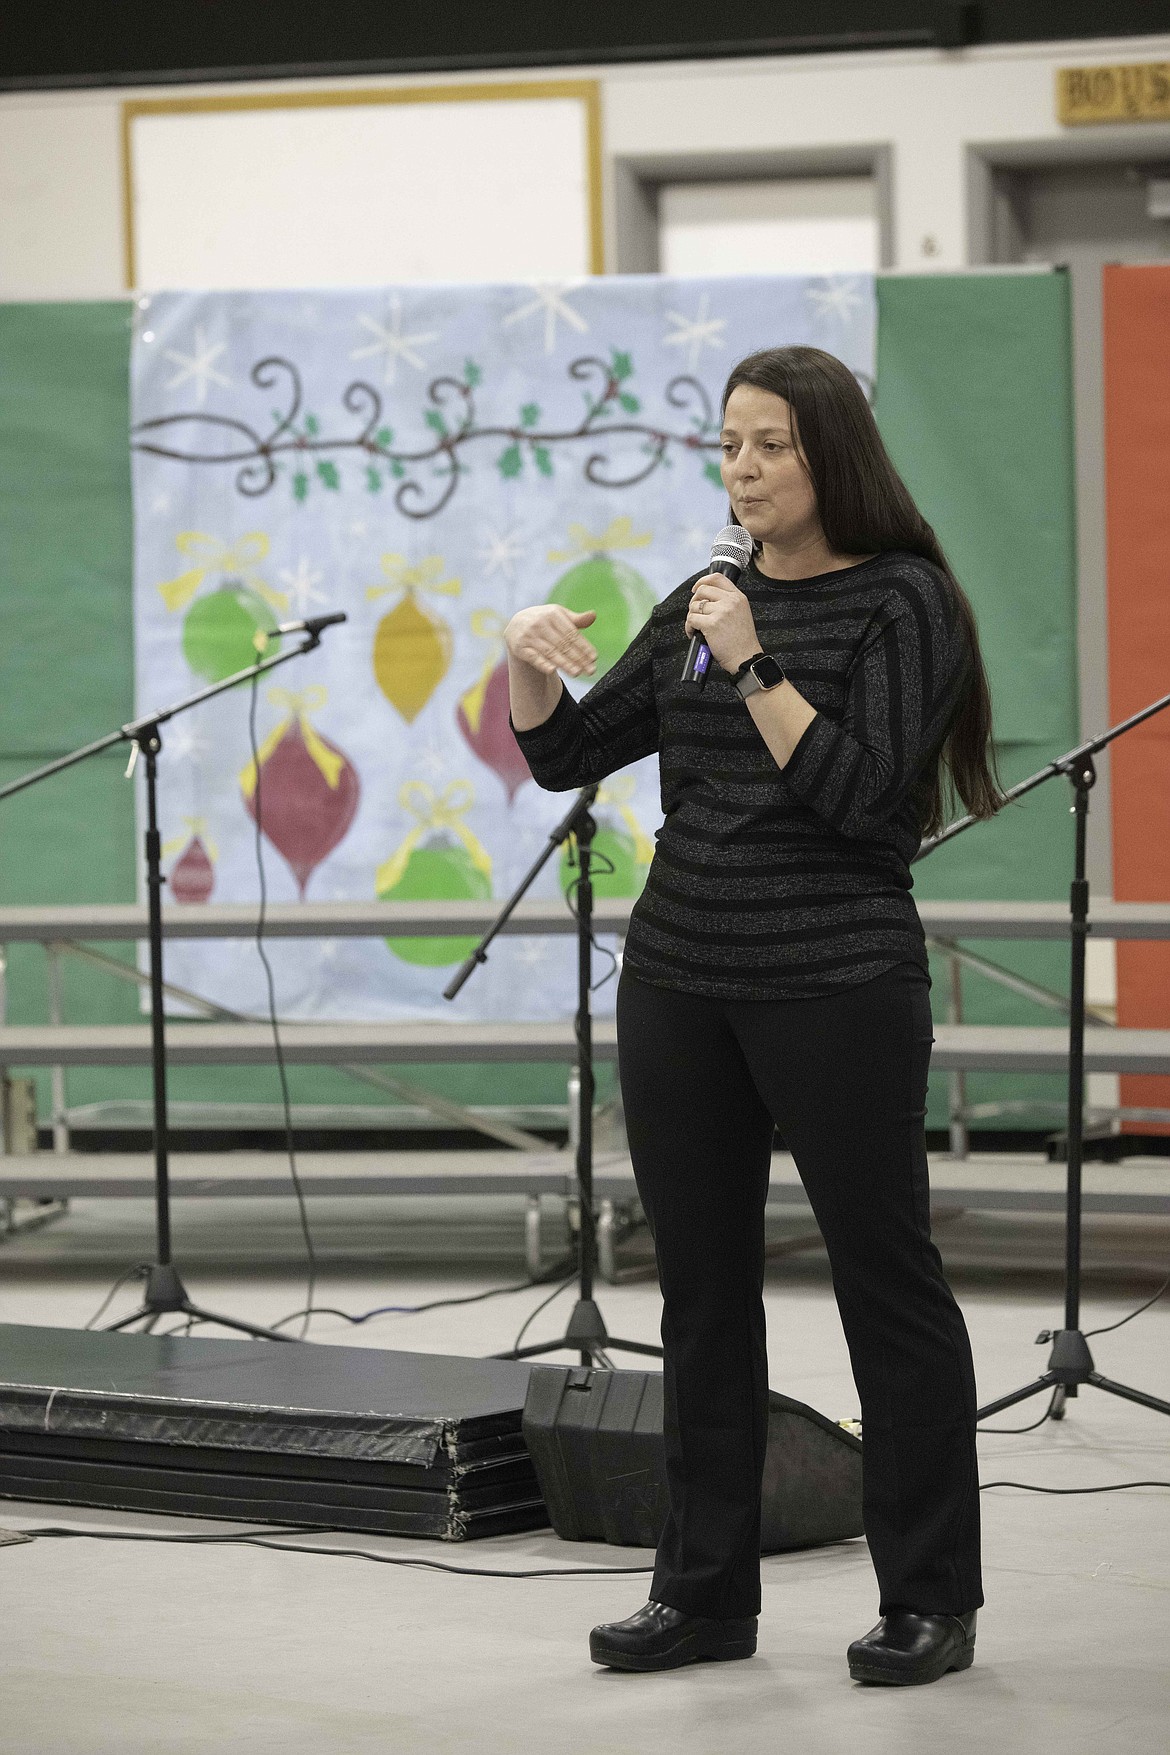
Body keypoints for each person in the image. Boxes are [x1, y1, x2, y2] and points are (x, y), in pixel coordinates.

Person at [504, 346, 1000, 1687]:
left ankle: (929, 1601)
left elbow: (863, 800)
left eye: (767, 445)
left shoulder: (905, 603)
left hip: (836, 981)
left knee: (881, 1284)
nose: (740, 470)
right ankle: (704, 1591)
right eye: (728, 445)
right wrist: (527, 668)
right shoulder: (698, 601)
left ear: (828, 455)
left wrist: (754, 662)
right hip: (679, 980)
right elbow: (561, 757)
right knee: (701, 1294)